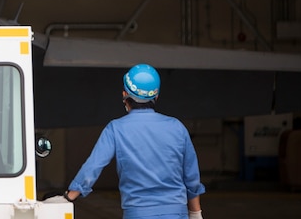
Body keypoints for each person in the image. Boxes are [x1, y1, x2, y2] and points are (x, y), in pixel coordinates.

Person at [63, 64, 205, 219]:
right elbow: (191, 177)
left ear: (125, 94)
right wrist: (195, 214)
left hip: (138, 214)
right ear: (156, 96)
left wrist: (70, 196)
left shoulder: (115, 129)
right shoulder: (177, 127)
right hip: (176, 213)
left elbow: (94, 166)